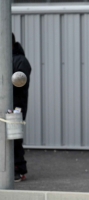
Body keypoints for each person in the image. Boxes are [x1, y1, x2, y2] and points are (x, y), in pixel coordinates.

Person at [12, 33, 32, 182]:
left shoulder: (20, 61)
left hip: (15, 107)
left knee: (13, 138)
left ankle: (19, 170)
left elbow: (21, 80)